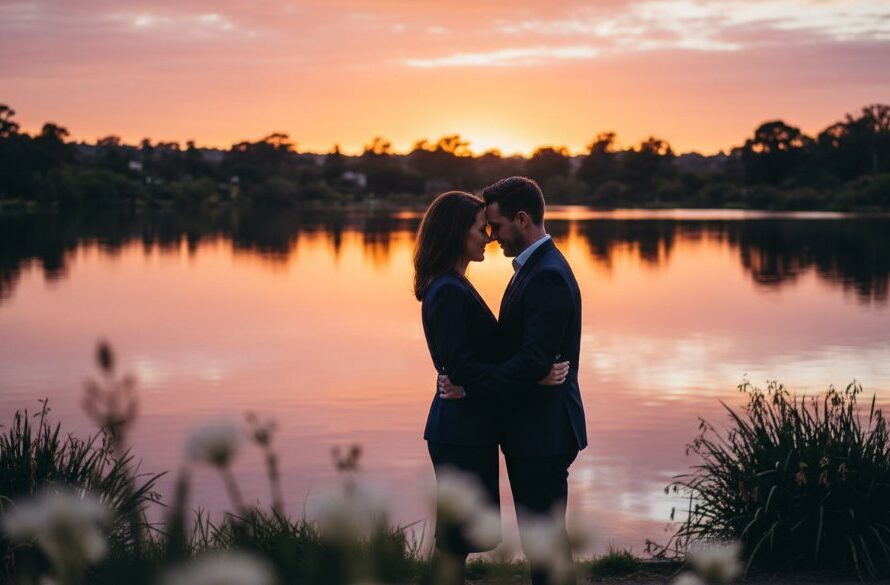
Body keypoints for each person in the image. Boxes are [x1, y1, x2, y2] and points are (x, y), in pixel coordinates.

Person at [414, 190, 568, 585]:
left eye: (490, 227)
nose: (487, 237)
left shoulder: (455, 284)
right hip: (460, 431)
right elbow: (461, 366)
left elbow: (470, 362)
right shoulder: (447, 289)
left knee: (460, 538)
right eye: (480, 229)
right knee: (454, 541)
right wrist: (532, 375)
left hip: (470, 428)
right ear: (455, 234)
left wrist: (480, 380)